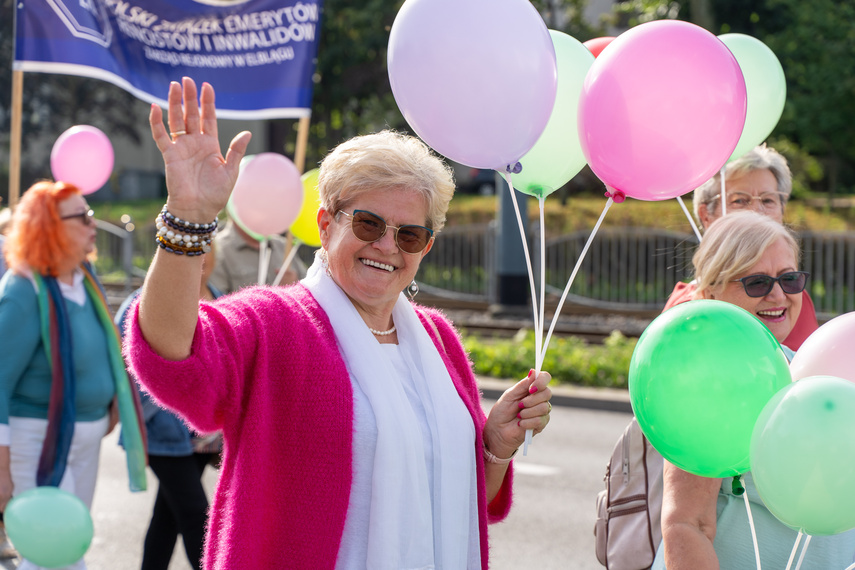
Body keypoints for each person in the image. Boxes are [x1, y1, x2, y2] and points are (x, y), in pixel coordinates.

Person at [124, 77, 553, 569]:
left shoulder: (437, 339)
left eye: (410, 235)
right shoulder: (274, 323)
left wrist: (495, 448)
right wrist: (187, 216)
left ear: (425, 247)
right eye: (369, 224)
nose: (388, 246)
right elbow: (172, 358)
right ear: (327, 225)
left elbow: (463, 501)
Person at [654, 211, 855, 569]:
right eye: (757, 283)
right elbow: (687, 525)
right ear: (713, 289)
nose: (778, 294)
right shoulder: (707, 384)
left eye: (790, 279)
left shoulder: (823, 369)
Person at [0, 181, 146, 570]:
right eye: (82, 217)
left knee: (71, 542)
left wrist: (113, 401)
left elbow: (105, 350)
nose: (93, 224)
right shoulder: (24, 287)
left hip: (85, 434)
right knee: (50, 550)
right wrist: (0, 466)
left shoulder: (83, 276)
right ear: (50, 226)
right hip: (37, 438)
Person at [115, 242, 224, 570]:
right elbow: (128, 367)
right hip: (164, 433)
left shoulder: (216, 294)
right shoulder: (145, 301)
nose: (198, 259)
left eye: (204, 251)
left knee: (168, 517)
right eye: (190, 250)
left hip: (207, 434)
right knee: (196, 517)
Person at [664, 144, 818, 349]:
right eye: (740, 200)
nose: (756, 211)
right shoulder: (687, 313)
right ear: (706, 215)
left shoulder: (794, 299)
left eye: (768, 200)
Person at [208, 217, 306, 293]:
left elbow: (308, 291)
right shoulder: (216, 250)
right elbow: (217, 304)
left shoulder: (283, 246)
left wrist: (294, 290)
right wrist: (280, 295)